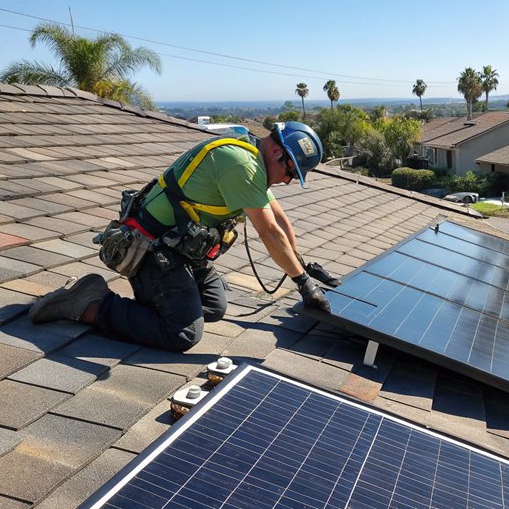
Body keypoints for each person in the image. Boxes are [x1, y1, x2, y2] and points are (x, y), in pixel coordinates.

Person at [29, 122, 335, 352]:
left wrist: (302, 266)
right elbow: (268, 232)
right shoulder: (242, 165)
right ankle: (92, 304)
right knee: (184, 333)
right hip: (152, 250)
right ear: (278, 152)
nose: (288, 181)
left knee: (215, 306)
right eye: (292, 174)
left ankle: (170, 301)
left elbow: (280, 220)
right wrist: (303, 286)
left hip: (182, 252)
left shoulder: (252, 157)